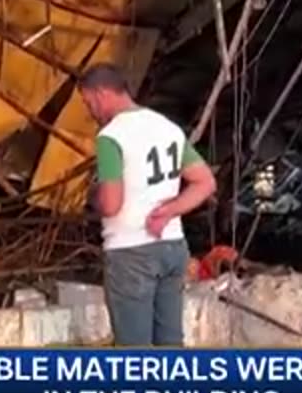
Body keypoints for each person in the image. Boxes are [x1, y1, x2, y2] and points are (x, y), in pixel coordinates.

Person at [78, 63, 217, 346]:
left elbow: (111, 204)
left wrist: (93, 196)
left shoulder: (110, 137)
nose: (90, 111)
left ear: (102, 93)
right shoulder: (167, 128)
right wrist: (169, 210)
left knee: (134, 351)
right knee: (170, 344)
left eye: (89, 102)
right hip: (173, 247)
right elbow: (204, 182)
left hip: (130, 253)